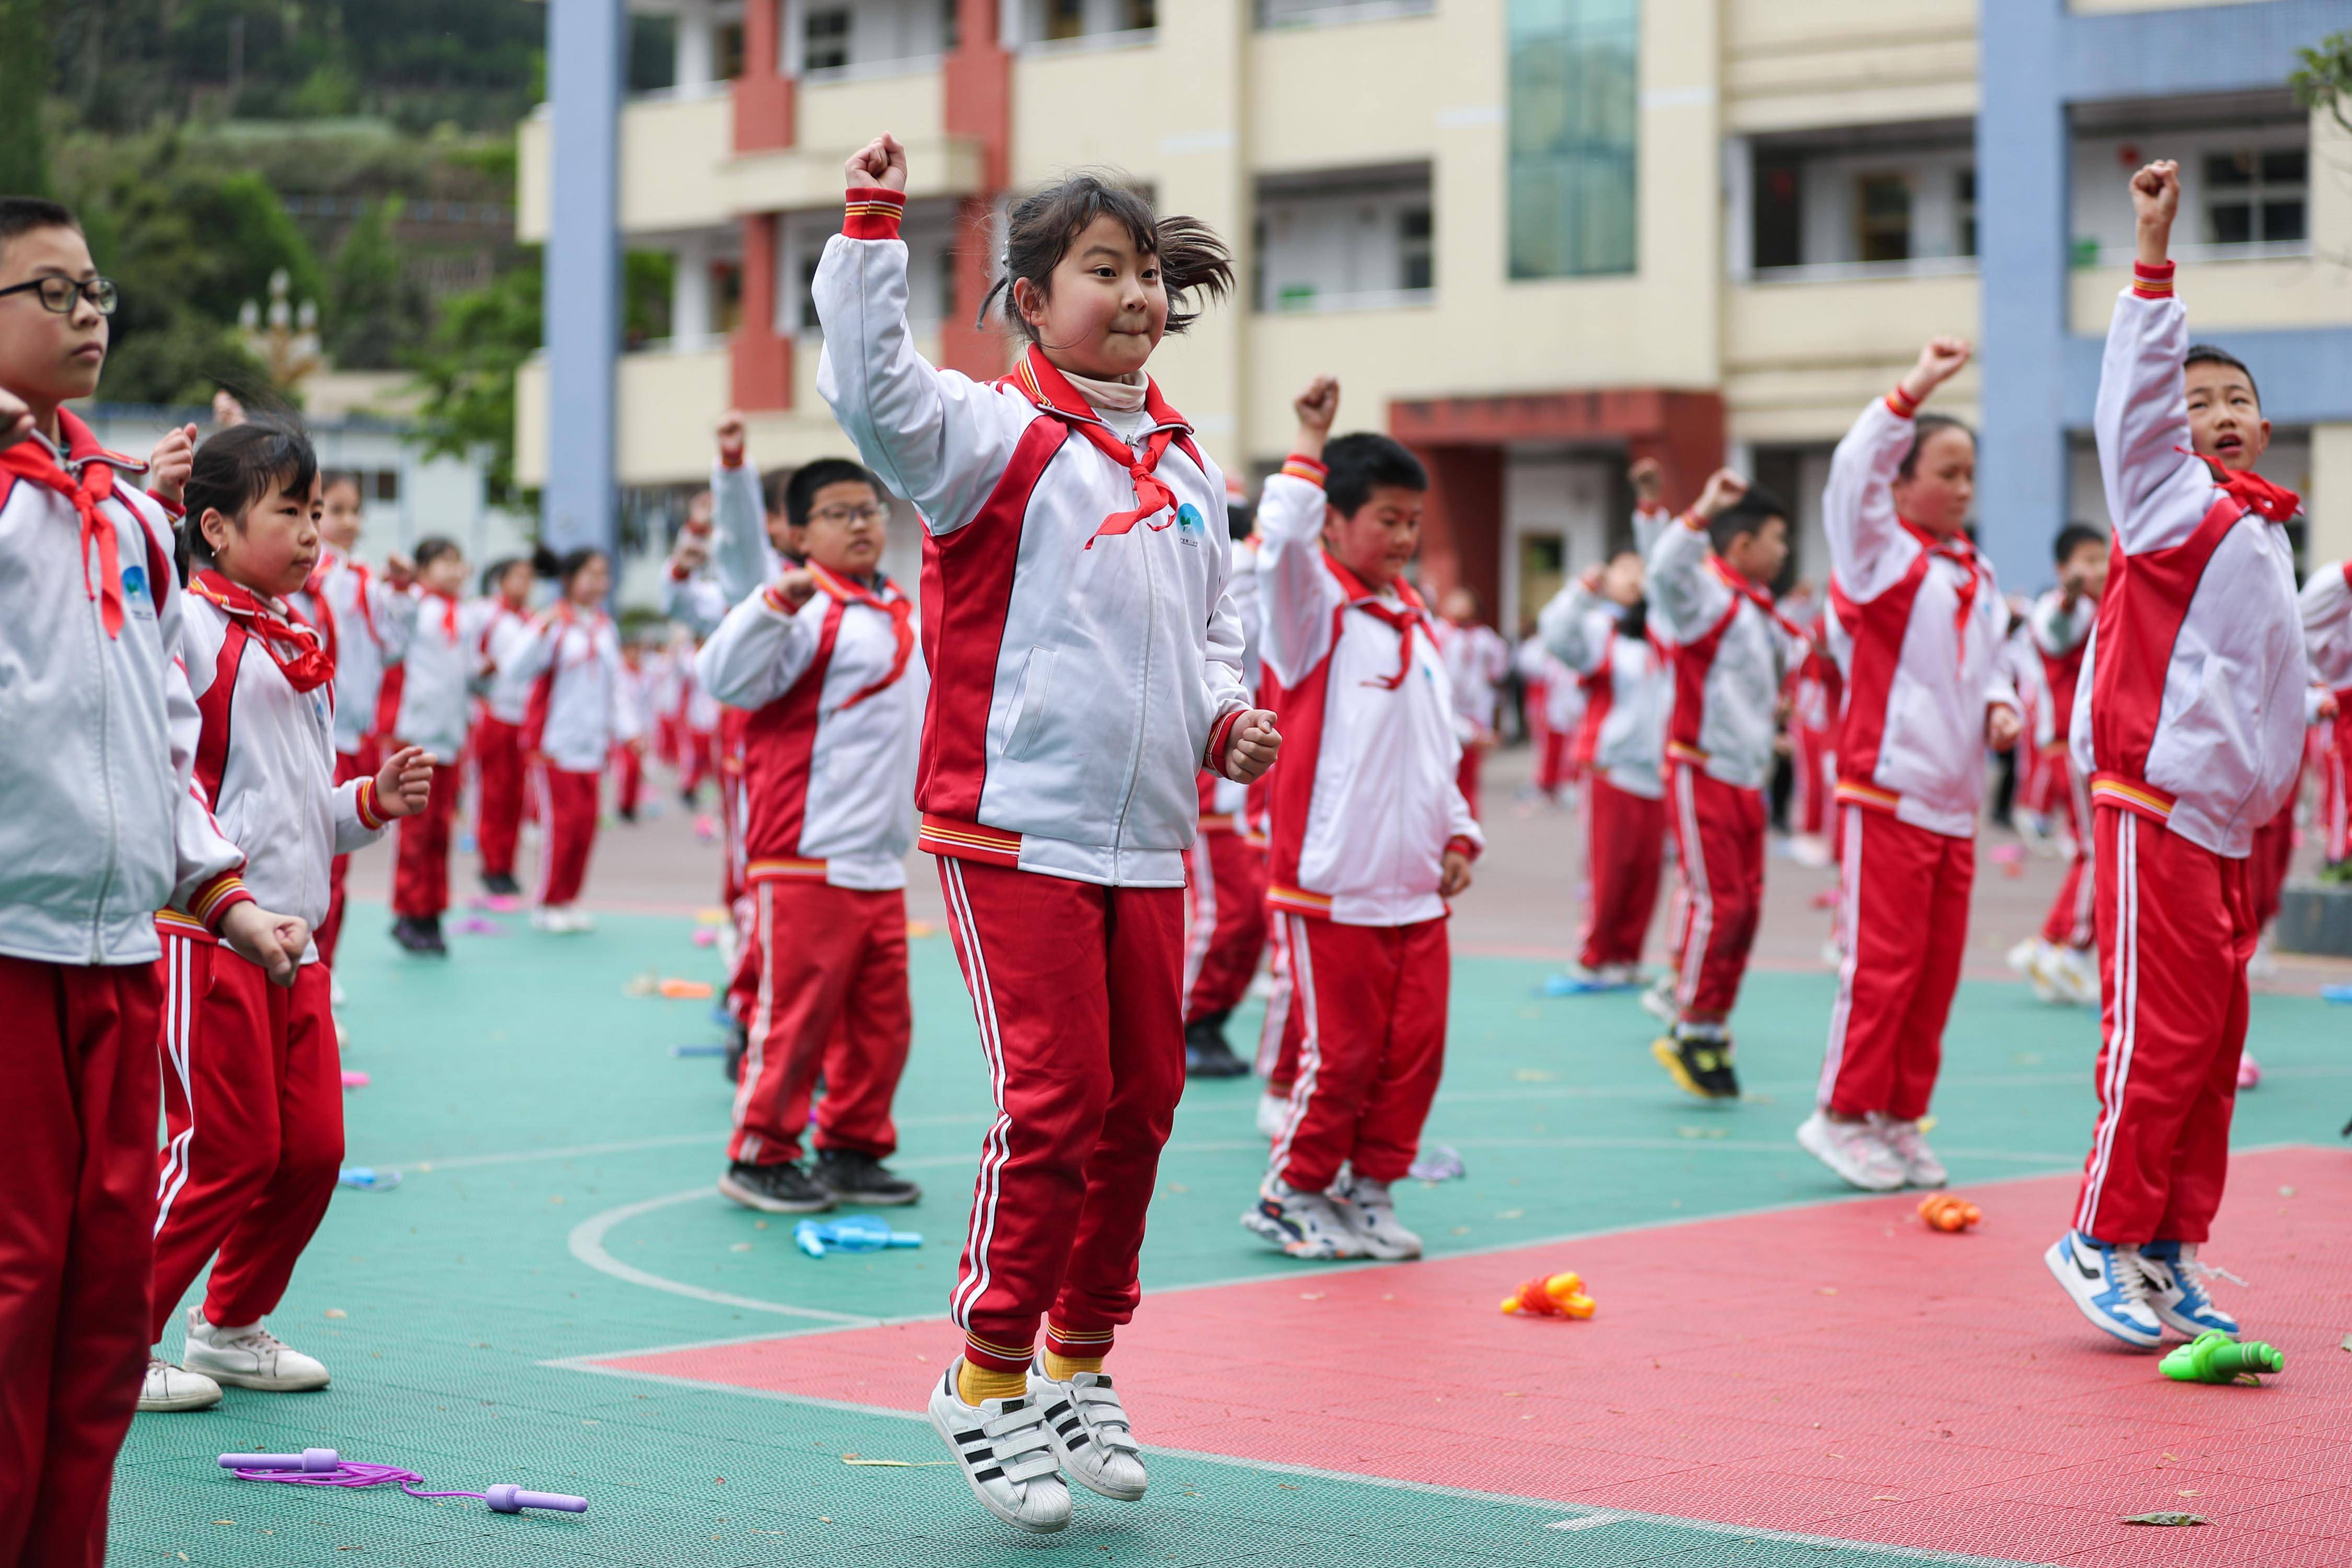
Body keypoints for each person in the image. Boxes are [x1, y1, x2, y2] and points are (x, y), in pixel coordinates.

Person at [816, 135, 1277, 1534]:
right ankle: (984, 1372)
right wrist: (871, 225)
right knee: (1057, 1103)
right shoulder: (988, 439)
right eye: (1100, 271)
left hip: (1148, 839)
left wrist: (1222, 721)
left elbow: (1212, 633)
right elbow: (867, 382)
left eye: (1146, 272)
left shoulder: (1189, 463)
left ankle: (1078, 1359)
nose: (1134, 295)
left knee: (1142, 1106)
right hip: (1012, 829)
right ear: (1029, 297)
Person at [0, 195, 314, 1565]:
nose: (86, 315)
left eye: (92, 290)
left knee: (98, 1298)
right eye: (46, 291)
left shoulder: (124, 522)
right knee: (13, 1290)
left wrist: (220, 887)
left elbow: (158, 741)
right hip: (10, 948)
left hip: (123, 954)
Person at [2046, 162, 2315, 1348]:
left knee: (2208, 1049)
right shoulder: (2163, 501)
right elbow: (2132, 405)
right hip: (2146, 801)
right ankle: (2095, 1236)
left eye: (2232, 401)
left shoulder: (2260, 534)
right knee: (2153, 1034)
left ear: (2263, 422)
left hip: (2219, 827)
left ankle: (2165, 1250)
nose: (2212, 413)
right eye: (2192, 398)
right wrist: (2151, 257)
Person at [143, 420, 434, 1416]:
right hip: (207, 930)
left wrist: (368, 802)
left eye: (318, 512)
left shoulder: (292, 640)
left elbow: (294, 806)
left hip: (294, 942)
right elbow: (126, 613)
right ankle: (114, 1337)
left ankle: (228, 1326)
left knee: (309, 1152)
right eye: (292, 512)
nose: (314, 533)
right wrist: (149, 497)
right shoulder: (185, 622)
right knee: (222, 1150)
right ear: (214, 529)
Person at [1247, 375, 1480, 1260]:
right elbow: (1282, 551)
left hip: (1415, 890)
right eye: (1388, 519)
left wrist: (1459, 833)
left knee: (1412, 1057)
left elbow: (1436, 750)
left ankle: (1370, 1191)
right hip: (1332, 885)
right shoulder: (1313, 617)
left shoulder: (1413, 622)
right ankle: (1292, 1192)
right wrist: (1309, 444)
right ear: (1338, 523)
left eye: (1415, 522)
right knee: (1338, 1059)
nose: (1406, 539)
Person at [1803, 335, 2021, 1193]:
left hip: (1954, 802)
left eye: (1970, 474)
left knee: (1933, 974)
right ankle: (1842, 1114)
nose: (1963, 489)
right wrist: (1917, 386)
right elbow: (1851, 472)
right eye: (1946, 472)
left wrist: (2003, 704)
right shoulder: (1878, 557)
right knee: (1881, 967)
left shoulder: (1977, 569)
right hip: (1885, 792)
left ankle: (1897, 1116)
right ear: (1900, 483)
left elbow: (1991, 664)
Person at [699, 455, 925, 1215]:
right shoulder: (802, 612)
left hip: (878, 862)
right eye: (838, 512)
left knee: (881, 1025)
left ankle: (853, 1148)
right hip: (805, 855)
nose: (862, 522)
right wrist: (772, 603)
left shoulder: (897, 607)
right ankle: (759, 1153)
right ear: (797, 533)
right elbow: (723, 678)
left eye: (870, 509)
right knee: (792, 1020)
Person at [1643, 471, 1801, 1099]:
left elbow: (1744, 692)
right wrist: (1702, 507)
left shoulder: (1758, 611)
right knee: (1719, 904)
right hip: (1702, 767)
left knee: (1747, 908)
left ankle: (1712, 1022)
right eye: (1777, 539)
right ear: (1741, 547)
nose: (1784, 552)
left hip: (1745, 772)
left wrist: (1770, 732)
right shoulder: (1708, 595)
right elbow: (1663, 574)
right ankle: (1691, 1023)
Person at [1540, 548, 1670, 987]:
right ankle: (1594, 957)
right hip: (1610, 767)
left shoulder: (1663, 632)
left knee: (1646, 872)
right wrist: (1583, 591)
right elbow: (1556, 636)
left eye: (1642, 568)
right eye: (1625, 569)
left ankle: (1627, 958)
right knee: (1609, 870)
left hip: (1655, 773)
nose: (1635, 577)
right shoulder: (1600, 630)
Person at [303, 469, 417, 966]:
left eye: (355, 511)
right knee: (311, 856)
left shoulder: (365, 579)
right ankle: (303, 962)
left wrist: (402, 595)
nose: (348, 521)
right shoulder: (305, 575)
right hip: (315, 730)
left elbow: (391, 649)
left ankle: (325, 966)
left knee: (338, 859)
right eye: (335, 510)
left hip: (356, 733)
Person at [508, 549, 641, 931]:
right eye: (591, 574)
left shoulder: (605, 627)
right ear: (569, 579)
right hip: (556, 745)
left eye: (604, 574)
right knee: (560, 827)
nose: (599, 582)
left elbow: (616, 689)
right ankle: (547, 902)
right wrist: (540, 628)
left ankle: (568, 899)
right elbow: (518, 668)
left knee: (585, 827)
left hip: (593, 746)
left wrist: (629, 732)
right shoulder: (554, 624)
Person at [2008, 525, 2109, 1006]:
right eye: (2086, 560)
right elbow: (2055, 630)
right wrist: (2070, 597)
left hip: (2075, 746)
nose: (2098, 568)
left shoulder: (2096, 605)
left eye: (2102, 558)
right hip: (2073, 746)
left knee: (2088, 851)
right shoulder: (2062, 607)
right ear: (2062, 568)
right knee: (2096, 851)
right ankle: (2073, 950)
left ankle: (2049, 941)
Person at [387, 536, 471, 955]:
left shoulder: (463, 616)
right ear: (422, 570)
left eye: (458, 562)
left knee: (440, 832)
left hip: (450, 736)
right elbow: (389, 634)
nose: (455, 571)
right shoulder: (415, 606)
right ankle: (408, 911)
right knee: (417, 832)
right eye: (444, 562)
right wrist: (402, 585)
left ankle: (432, 911)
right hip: (419, 733)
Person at [471, 556, 535, 897]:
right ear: (502, 581)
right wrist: (484, 668)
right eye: (519, 577)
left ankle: (507, 865)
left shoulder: (532, 621)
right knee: (494, 794)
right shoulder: (485, 614)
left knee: (515, 797)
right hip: (494, 713)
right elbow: (467, 652)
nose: (526, 585)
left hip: (521, 719)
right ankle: (491, 864)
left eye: (530, 578)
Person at [1437, 586, 1510, 819]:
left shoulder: (1485, 637)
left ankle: (1468, 826)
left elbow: (1499, 670)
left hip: (1475, 711)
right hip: (1446, 710)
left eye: (1464, 602)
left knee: (1469, 771)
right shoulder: (1439, 631)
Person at [2304, 557, 2352, 875]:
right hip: (2336, 704)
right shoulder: (2332, 582)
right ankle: (2339, 856)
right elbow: (2299, 624)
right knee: (2338, 783)